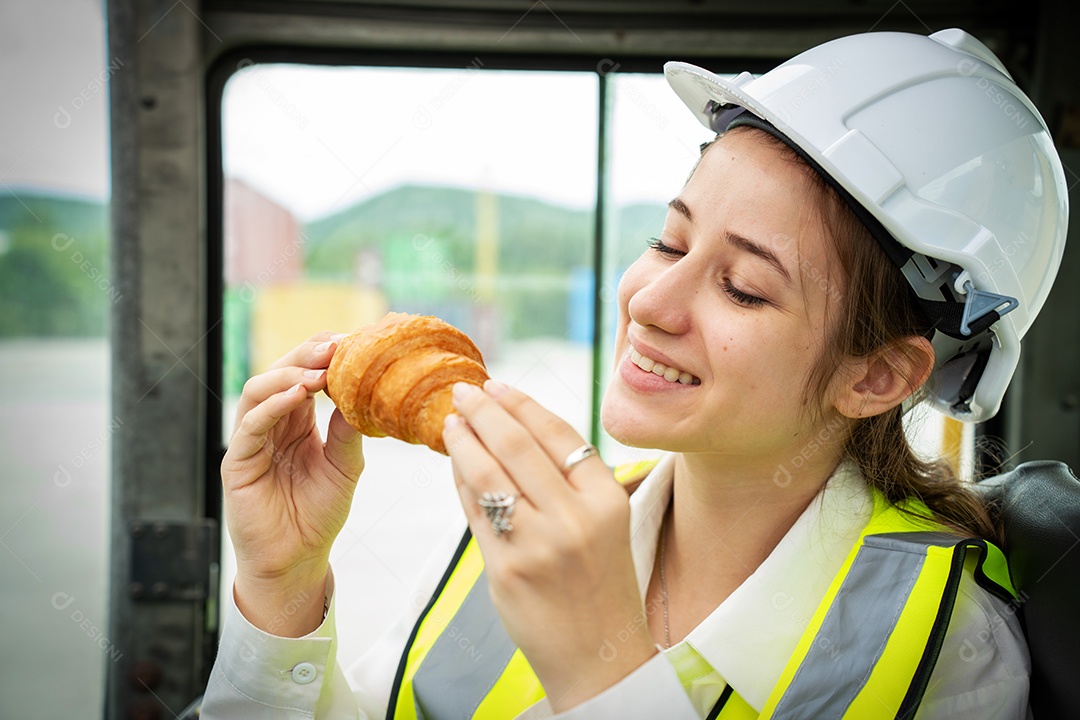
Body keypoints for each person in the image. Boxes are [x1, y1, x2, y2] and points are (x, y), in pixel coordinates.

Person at [200, 28, 1066, 719]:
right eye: (671, 241)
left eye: (742, 287)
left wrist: (601, 666)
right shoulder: (518, 538)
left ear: (877, 378)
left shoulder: (948, 655)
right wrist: (281, 590)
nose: (652, 301)